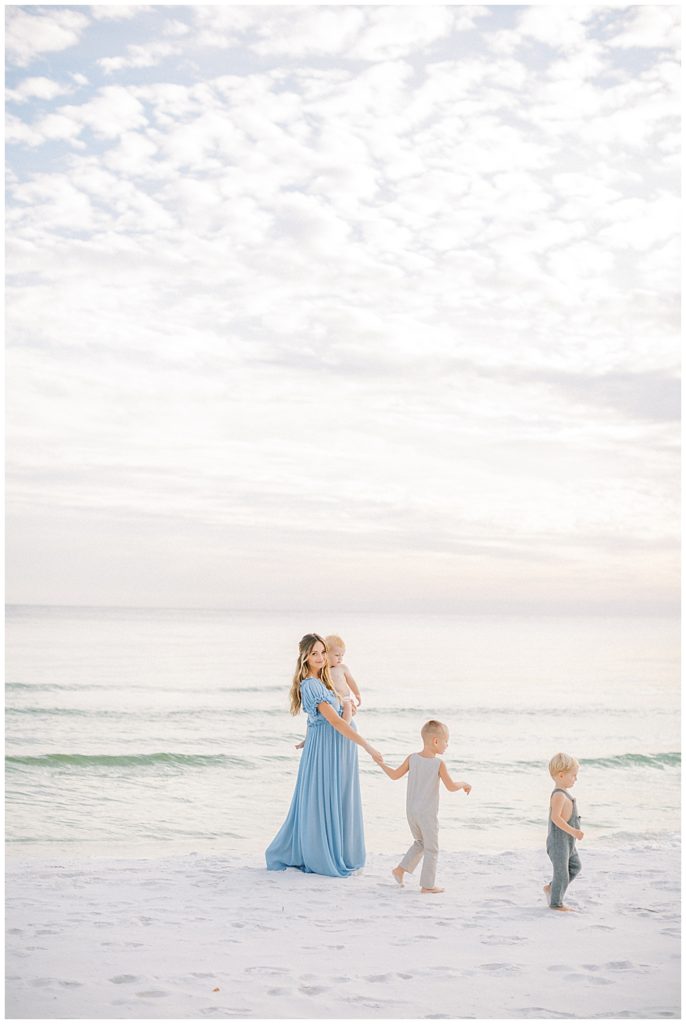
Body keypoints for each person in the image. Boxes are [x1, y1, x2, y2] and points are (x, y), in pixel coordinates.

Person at [266, 633, 383, 878]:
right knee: (325, 796)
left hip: (337, 746)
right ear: (305, 657)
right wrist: (369, 747)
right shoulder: (311, 685)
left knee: (338, 796)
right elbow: (337, 724)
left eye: (322, 652)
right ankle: (322, 853)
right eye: (314, 654)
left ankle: (341, 850)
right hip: (330, 748)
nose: (320, 658)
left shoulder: (324, 679)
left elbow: (319, 720)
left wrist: (308, 737)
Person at [378, 719, 471, 894]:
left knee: (420, 843)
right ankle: (428, 885)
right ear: (436, 741)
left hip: (411, 811)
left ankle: (399, 870)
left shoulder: (412, 758)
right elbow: (451, 787)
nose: (447, 745)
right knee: (432, 848)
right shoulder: (438, 764)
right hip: (427, 814)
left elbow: (394, 775)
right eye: (446, 741)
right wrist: (464, 783)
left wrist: (381, 764)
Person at [544, 752, 584, 912]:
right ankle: (556, 903)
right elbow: (556, 818)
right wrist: (573, 831)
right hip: (559, 842)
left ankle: (552, 888)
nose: (576, 779)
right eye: (573, 776)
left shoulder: (566, 794)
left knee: (575, 866)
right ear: (561, 775)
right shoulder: (559, 795)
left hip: (568, 842)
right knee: (562, 873)